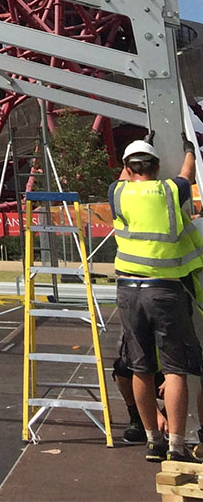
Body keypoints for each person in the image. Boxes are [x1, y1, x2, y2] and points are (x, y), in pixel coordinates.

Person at [109, 137, 203, 462]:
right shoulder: (168, 191)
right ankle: (177, 446)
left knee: (141, 368)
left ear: (126, 168)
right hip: (165, 290)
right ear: (157, 168)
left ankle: (153, 441)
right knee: (176, 369)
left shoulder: (117, 192)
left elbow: (124, 178)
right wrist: (190, 150)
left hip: (127, 291)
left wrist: (139, 145)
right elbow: (188, 175)